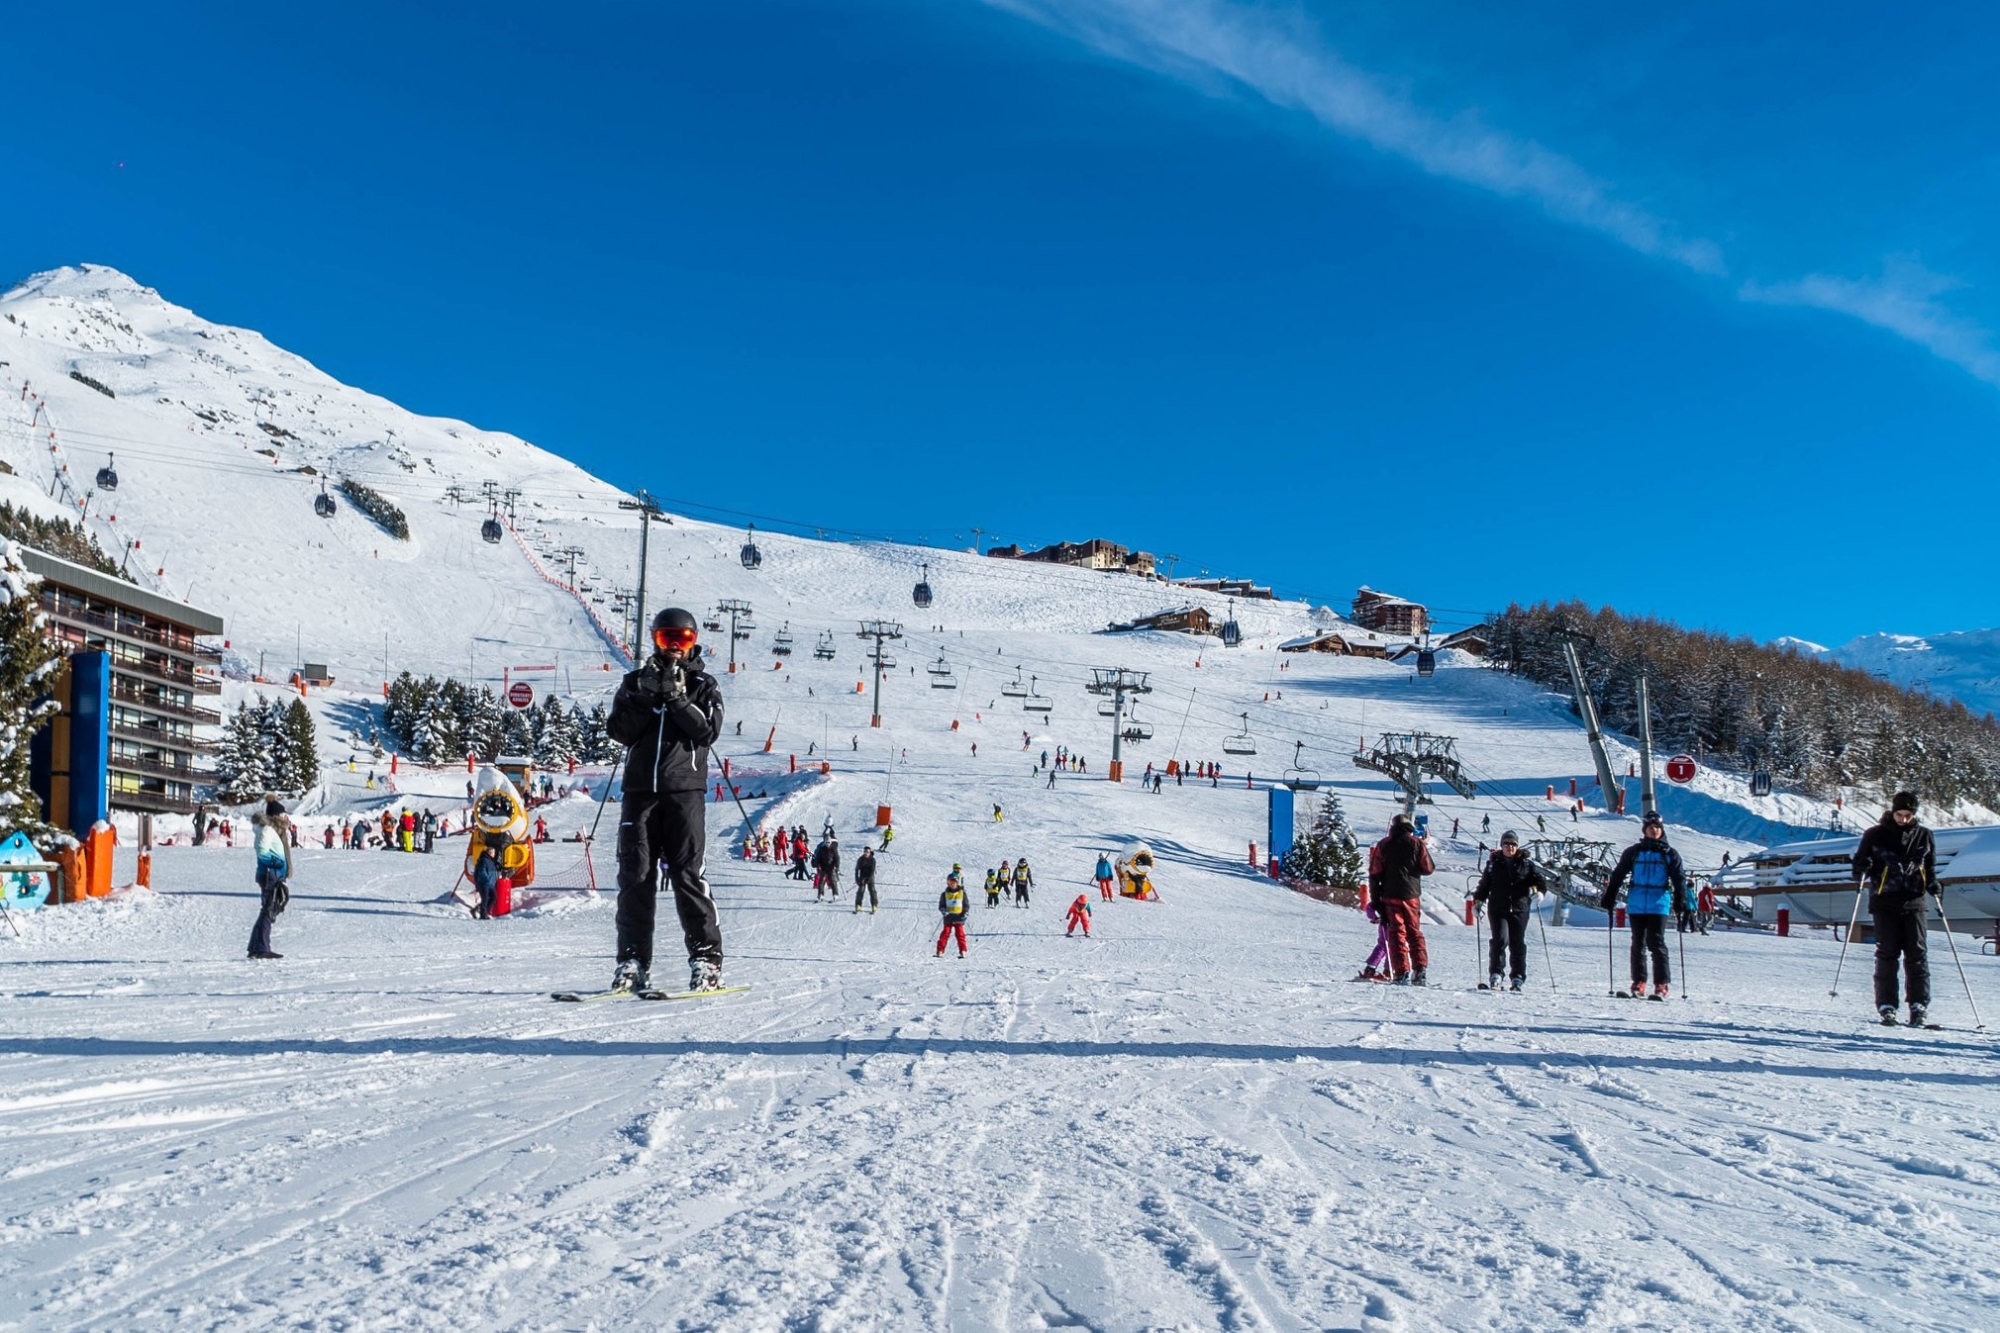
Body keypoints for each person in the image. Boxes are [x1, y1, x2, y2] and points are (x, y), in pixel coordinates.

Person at [605, 608, 726, 994]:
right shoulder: (634, 682)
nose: (674, 648)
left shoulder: (704, 685)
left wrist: (675, 698)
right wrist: (645, 695)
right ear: (655, 639)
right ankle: (633, 961)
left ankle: (706, 959)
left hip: (684, 791)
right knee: (635, 877)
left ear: (693, 643)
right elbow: (620, 732)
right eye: (666, 639)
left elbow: (707, 731)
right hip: (640, 792)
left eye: (683, 640)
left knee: (687, 875)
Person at [1852, 791, 1939, 1026]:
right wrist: (1863, 866)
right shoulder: (1875, 835)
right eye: (1900, 815)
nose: (1903, 820)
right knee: (1887, 953)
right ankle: (1887, 1005)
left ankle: (1919, 1005)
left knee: (1917, 954)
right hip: (1885, 901)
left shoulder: (1924, 835)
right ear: (1892, 811)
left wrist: (1932, 883)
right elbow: (1858, 866)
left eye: (1908, 815)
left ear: (1914, 814)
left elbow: (1929, 867)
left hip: (1915, 901)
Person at [1602, 811, 1689, 999]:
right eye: (1651, 828)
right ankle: (1639, 981)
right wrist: (1610, 895)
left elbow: (1679, 878)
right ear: (1645, 830)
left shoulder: (1669, 854)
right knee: (1637, 943)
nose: (1654, 831)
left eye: (1657, 828)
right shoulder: (1634, 852)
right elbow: (1618, 874)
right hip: (1637, 902)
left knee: (1656, 942)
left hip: (1658, 902)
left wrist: (1680, 898)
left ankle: (1661, 984)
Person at [1473, 831, 1546, 990]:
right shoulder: (1493, 864)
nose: (1510, 847)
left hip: (1520, 908)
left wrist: (1539, 892)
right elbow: (1484, 886)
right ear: (1501, 846)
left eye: (1513, 844)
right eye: (1507, 844)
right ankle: (1496, 974)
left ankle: (1518, 977)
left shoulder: (1526, 864)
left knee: (1517, 942)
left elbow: (1538, 881)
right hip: (1498, 908)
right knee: (1500, 939)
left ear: (1517, 847)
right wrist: (1478, 902)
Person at [1369, 814, 1434, 984]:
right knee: (1414, 933)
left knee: (1396, 934)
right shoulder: (1417, 843)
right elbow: (1428, 868)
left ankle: (1400, 972)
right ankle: (1420, 970)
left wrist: (1375, 901)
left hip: (1389, 895)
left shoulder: (1384, 844)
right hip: (1411, 896)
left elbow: (1374, 874)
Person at [248, 797, 293, 960]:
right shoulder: (267, 830)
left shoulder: (272, 830)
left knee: (266, 910)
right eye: (282, 814)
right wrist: (273, 865)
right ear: (275, 815)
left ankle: (256, 946)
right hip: (269, 874)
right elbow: (261, 849)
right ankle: (261, 948)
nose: (285, 817)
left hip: (272, 874)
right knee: (268, 911)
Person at [936, 871, 969, 958]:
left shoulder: (962, 893)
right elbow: (941, 905)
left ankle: (963, 950)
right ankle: (940, 950)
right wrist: (943, 910)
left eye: (953, 882)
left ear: (957, 883)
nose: (952, 884)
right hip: (948, 917)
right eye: (950, 882)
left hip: (959, 917)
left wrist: (965, 913)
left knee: (960, 934)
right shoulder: (944, 894)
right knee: (945, 933)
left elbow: (966, 905)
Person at [472, 846, 502, 920]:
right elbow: (482, 871)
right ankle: (483, 915)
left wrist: (497, 867)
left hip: (490, 884)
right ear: (490, 853)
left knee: (493, 898)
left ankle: (482, 911)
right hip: (484, 883)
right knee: (485, 899)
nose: (494, 854)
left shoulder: (490, 861)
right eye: (494, 853)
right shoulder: (483, 860)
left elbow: (492, 871)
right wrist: (487, 880)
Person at [853, 846, 878, 914]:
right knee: (860, 891)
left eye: (867, 852)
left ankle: (874, 905)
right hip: (862, 876)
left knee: (872, 890)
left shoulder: (872, 860)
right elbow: (857, 870)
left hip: (870, 876)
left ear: (870, 853)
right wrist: (857, 879)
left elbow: (872, 871)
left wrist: (869, 879)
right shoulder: (860, 859)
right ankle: (858, 905)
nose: (866, 853)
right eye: (865, 852)